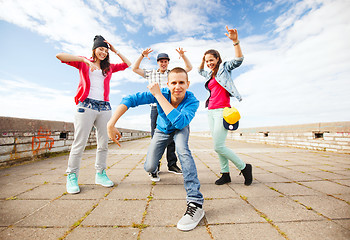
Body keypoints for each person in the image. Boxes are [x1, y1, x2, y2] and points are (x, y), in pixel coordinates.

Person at [107, 67, 204, 231]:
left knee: (182, 150)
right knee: (150, 166)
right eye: (173, 83)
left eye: (182, 82)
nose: (177, 87)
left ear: (188, 84)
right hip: (161, 130)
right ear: (168, 83)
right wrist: (111, 123)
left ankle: (195, 201)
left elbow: (180, 122)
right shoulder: (164, 92)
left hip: (180, 128)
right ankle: (154, 169)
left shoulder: (192, 100)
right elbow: (130, 99)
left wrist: (158, 95)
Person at [56, 35, 131, 194]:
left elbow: (127, 64)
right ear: (94, 50)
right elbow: (59, 56)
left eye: (105, 50)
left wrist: (115, 50)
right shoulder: (83, 62)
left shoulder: (108, 67)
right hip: (85, 105)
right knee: (80, 143)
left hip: (104, 108)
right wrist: (84, 61)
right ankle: (72, 176)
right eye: (100, 49)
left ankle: (100, 174)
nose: (103, 52)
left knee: (103, 144)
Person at [198, 26, 253, 186]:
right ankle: (225, 173)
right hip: (211, 111)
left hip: (223, 111)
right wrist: (203, 59)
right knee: (219, 146)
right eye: (207, 61)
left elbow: (238, 60)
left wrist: (235, 41)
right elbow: (199, 70)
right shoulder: (209, 74)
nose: (209, 63)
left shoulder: (224, 68)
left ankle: (244, 167)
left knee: (218, 146)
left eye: (211, 60)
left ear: (218, 59)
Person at [132, 48, 193, 178]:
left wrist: (182, 56)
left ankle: (172, 164)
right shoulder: (151, 73)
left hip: (172, 108)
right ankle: (155, 166)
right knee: (156, 136)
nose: (163, 63)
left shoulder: (173, 73)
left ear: (168, 63)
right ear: (158, 63)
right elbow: (135, 68)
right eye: (161, 61)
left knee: (172, 137)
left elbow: (189, 67)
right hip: (156, 107)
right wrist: (142, 55)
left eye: (165, 61)